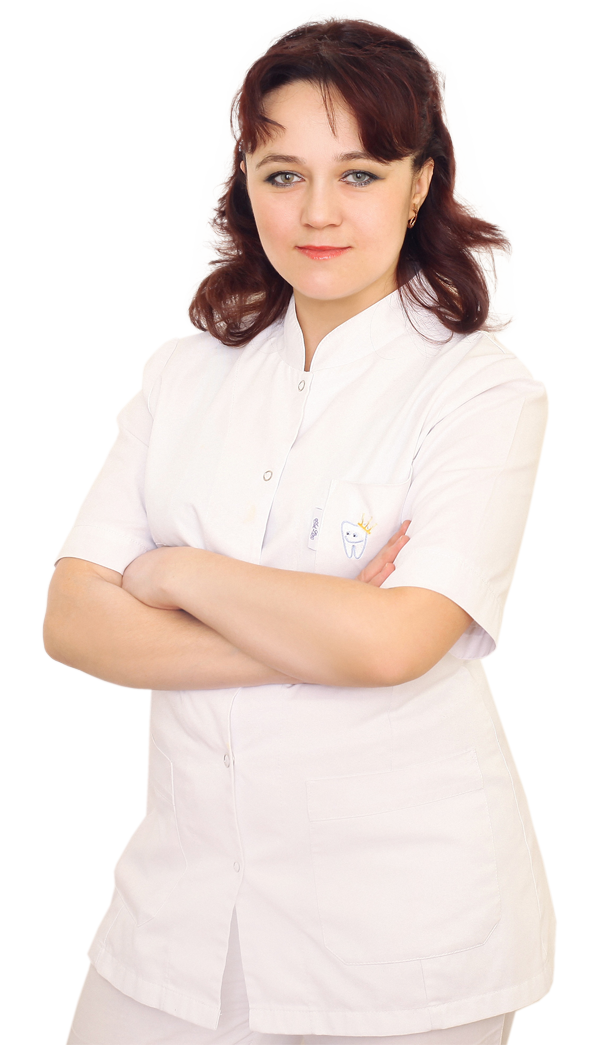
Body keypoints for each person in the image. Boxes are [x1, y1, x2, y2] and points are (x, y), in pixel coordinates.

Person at [44, 15, 556, 1045]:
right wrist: (320, 631)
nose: (318, 212)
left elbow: (393, 644)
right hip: (177, 922)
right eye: (284, 174)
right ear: (247, 182)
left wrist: (175, 573)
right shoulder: (191, 367)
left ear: (420, 183)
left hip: (399, 940)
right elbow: (71, 620)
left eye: (360, 174)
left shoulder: (478, 390)